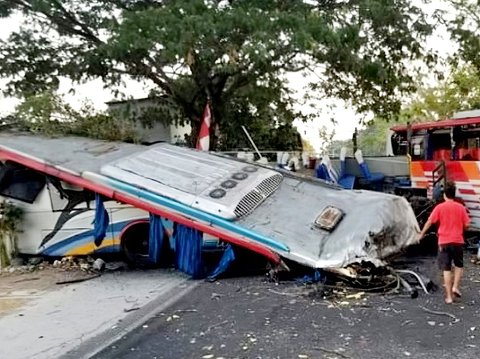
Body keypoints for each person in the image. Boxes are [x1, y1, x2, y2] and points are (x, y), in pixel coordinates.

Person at [419, 181, 470, 304]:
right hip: (458, 241)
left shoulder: (439, 207)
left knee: (446, 269)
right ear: (454, 194)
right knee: (458, 266)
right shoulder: (461, 208)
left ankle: (449, 297)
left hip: (444, 242)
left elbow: (429, 222)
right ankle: (455, 287)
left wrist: (421, 234)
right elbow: (467, 225)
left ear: (445, 195)